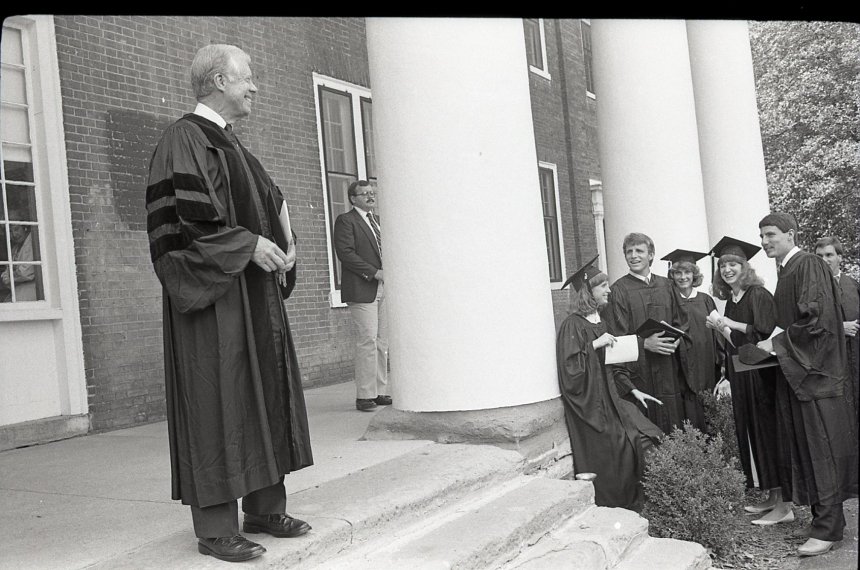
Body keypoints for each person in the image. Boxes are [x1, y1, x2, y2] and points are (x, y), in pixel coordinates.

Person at [145, 44, 313, 563]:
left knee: (262, 394)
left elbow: (268, 200)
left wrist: (285, 243)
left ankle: (264, 508)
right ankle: (215, 526)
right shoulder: (183, 139)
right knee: (218, 399)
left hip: (254, 295)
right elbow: (185, 226)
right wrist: (247, 245)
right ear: (218, 79)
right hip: (216, 300)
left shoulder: (233, 145)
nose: (255, 86)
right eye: (247, 78)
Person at [756, 213, 858, 557]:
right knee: (807, 450)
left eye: (771, 234)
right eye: (762, 236)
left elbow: (816, 322)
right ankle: (821, 520)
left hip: (816, 379)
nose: (766, 241)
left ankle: (829, 528)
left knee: (822, 452)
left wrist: (776, 345)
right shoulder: (788, 270)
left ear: (790, 234)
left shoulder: (809, 264)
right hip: (800, 377)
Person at [556, 255, 663, 511]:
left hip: (613, 400)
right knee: (620, 447)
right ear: (588, 292)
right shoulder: (573, 325)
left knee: (648, 437)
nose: (609, 289)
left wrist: (634, 391)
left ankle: (636, 504)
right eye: (602, 285)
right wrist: (594, 345)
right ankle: (615, 506)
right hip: (592, 406)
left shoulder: (602, 323)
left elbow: (614, 366)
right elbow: (570, 371)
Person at [706, 236, 787, 525]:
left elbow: (764, 332)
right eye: (723, 265)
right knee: (753, 433)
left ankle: (785, 507)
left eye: (733, 264)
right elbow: (738, 342)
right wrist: (720, 327)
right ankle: (772, 496)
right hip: (743, 372)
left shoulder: (758, 294)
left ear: (744, 267)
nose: (727, 269)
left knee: (767, 433)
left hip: (762, 376)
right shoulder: (732, 300)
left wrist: (730, 324)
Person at [603, 232, 695, 434]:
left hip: (668, 366)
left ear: (651, 255)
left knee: (673, 421)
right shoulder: (618, 290)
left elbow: (681, 322)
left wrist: (676, 340)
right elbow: (615, 337)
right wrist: (643, 344)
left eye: (639, 251)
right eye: (629, 252)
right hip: (639, 370)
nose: (634, 256)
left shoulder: (667, 285)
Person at [333, 179, 391, 412]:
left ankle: (379, 391)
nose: (370, 196)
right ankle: (364, 396)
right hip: (362, 287)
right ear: (353, 198)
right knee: (367, 340)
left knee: (381, 342)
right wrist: (374, 272)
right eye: (364, 193)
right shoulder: (346, 221)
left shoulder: (377, 222)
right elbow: (345, 253)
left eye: (372, 192)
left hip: (384, 288)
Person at [662, 248, 721, 396]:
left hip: (706, 363)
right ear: (672, 276)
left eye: (687, 272)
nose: (683, 277)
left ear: (694, 275)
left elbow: (718, 334)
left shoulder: (706, 300)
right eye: (678, 273)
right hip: (680, 364)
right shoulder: (668, 300)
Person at [814, 236, 859, 432]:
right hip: (831, 361)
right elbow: (807, 324)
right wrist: (840, 328)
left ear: (840, 257)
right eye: (820, 256)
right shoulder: (813, 290)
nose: (824, 259)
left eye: (829, 255)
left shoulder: (853, 284)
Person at [0, 208, 38, 302]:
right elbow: (6, 273)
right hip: (18, 290)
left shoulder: (32, 242)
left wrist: (10, 277)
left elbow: (25, 273)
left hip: (31, 290)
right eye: (10, 231)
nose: (14, 234)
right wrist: (10, 276)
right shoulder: (15, 248)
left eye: (16, 229)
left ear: (24, 227)